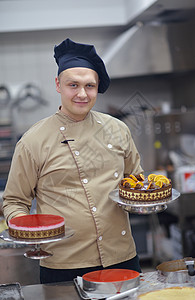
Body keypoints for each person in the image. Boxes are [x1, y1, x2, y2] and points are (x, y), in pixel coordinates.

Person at [3, 38, 144, 283]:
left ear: (97, 86)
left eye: (90, 86)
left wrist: (142, 200)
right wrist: (28, 231)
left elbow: (135, 183)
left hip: (122, 256)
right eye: (73, 85)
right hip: (64, 264)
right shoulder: (33, 141)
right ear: (58, 85)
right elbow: (15, 201)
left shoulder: (118, 129)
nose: (82, 94)